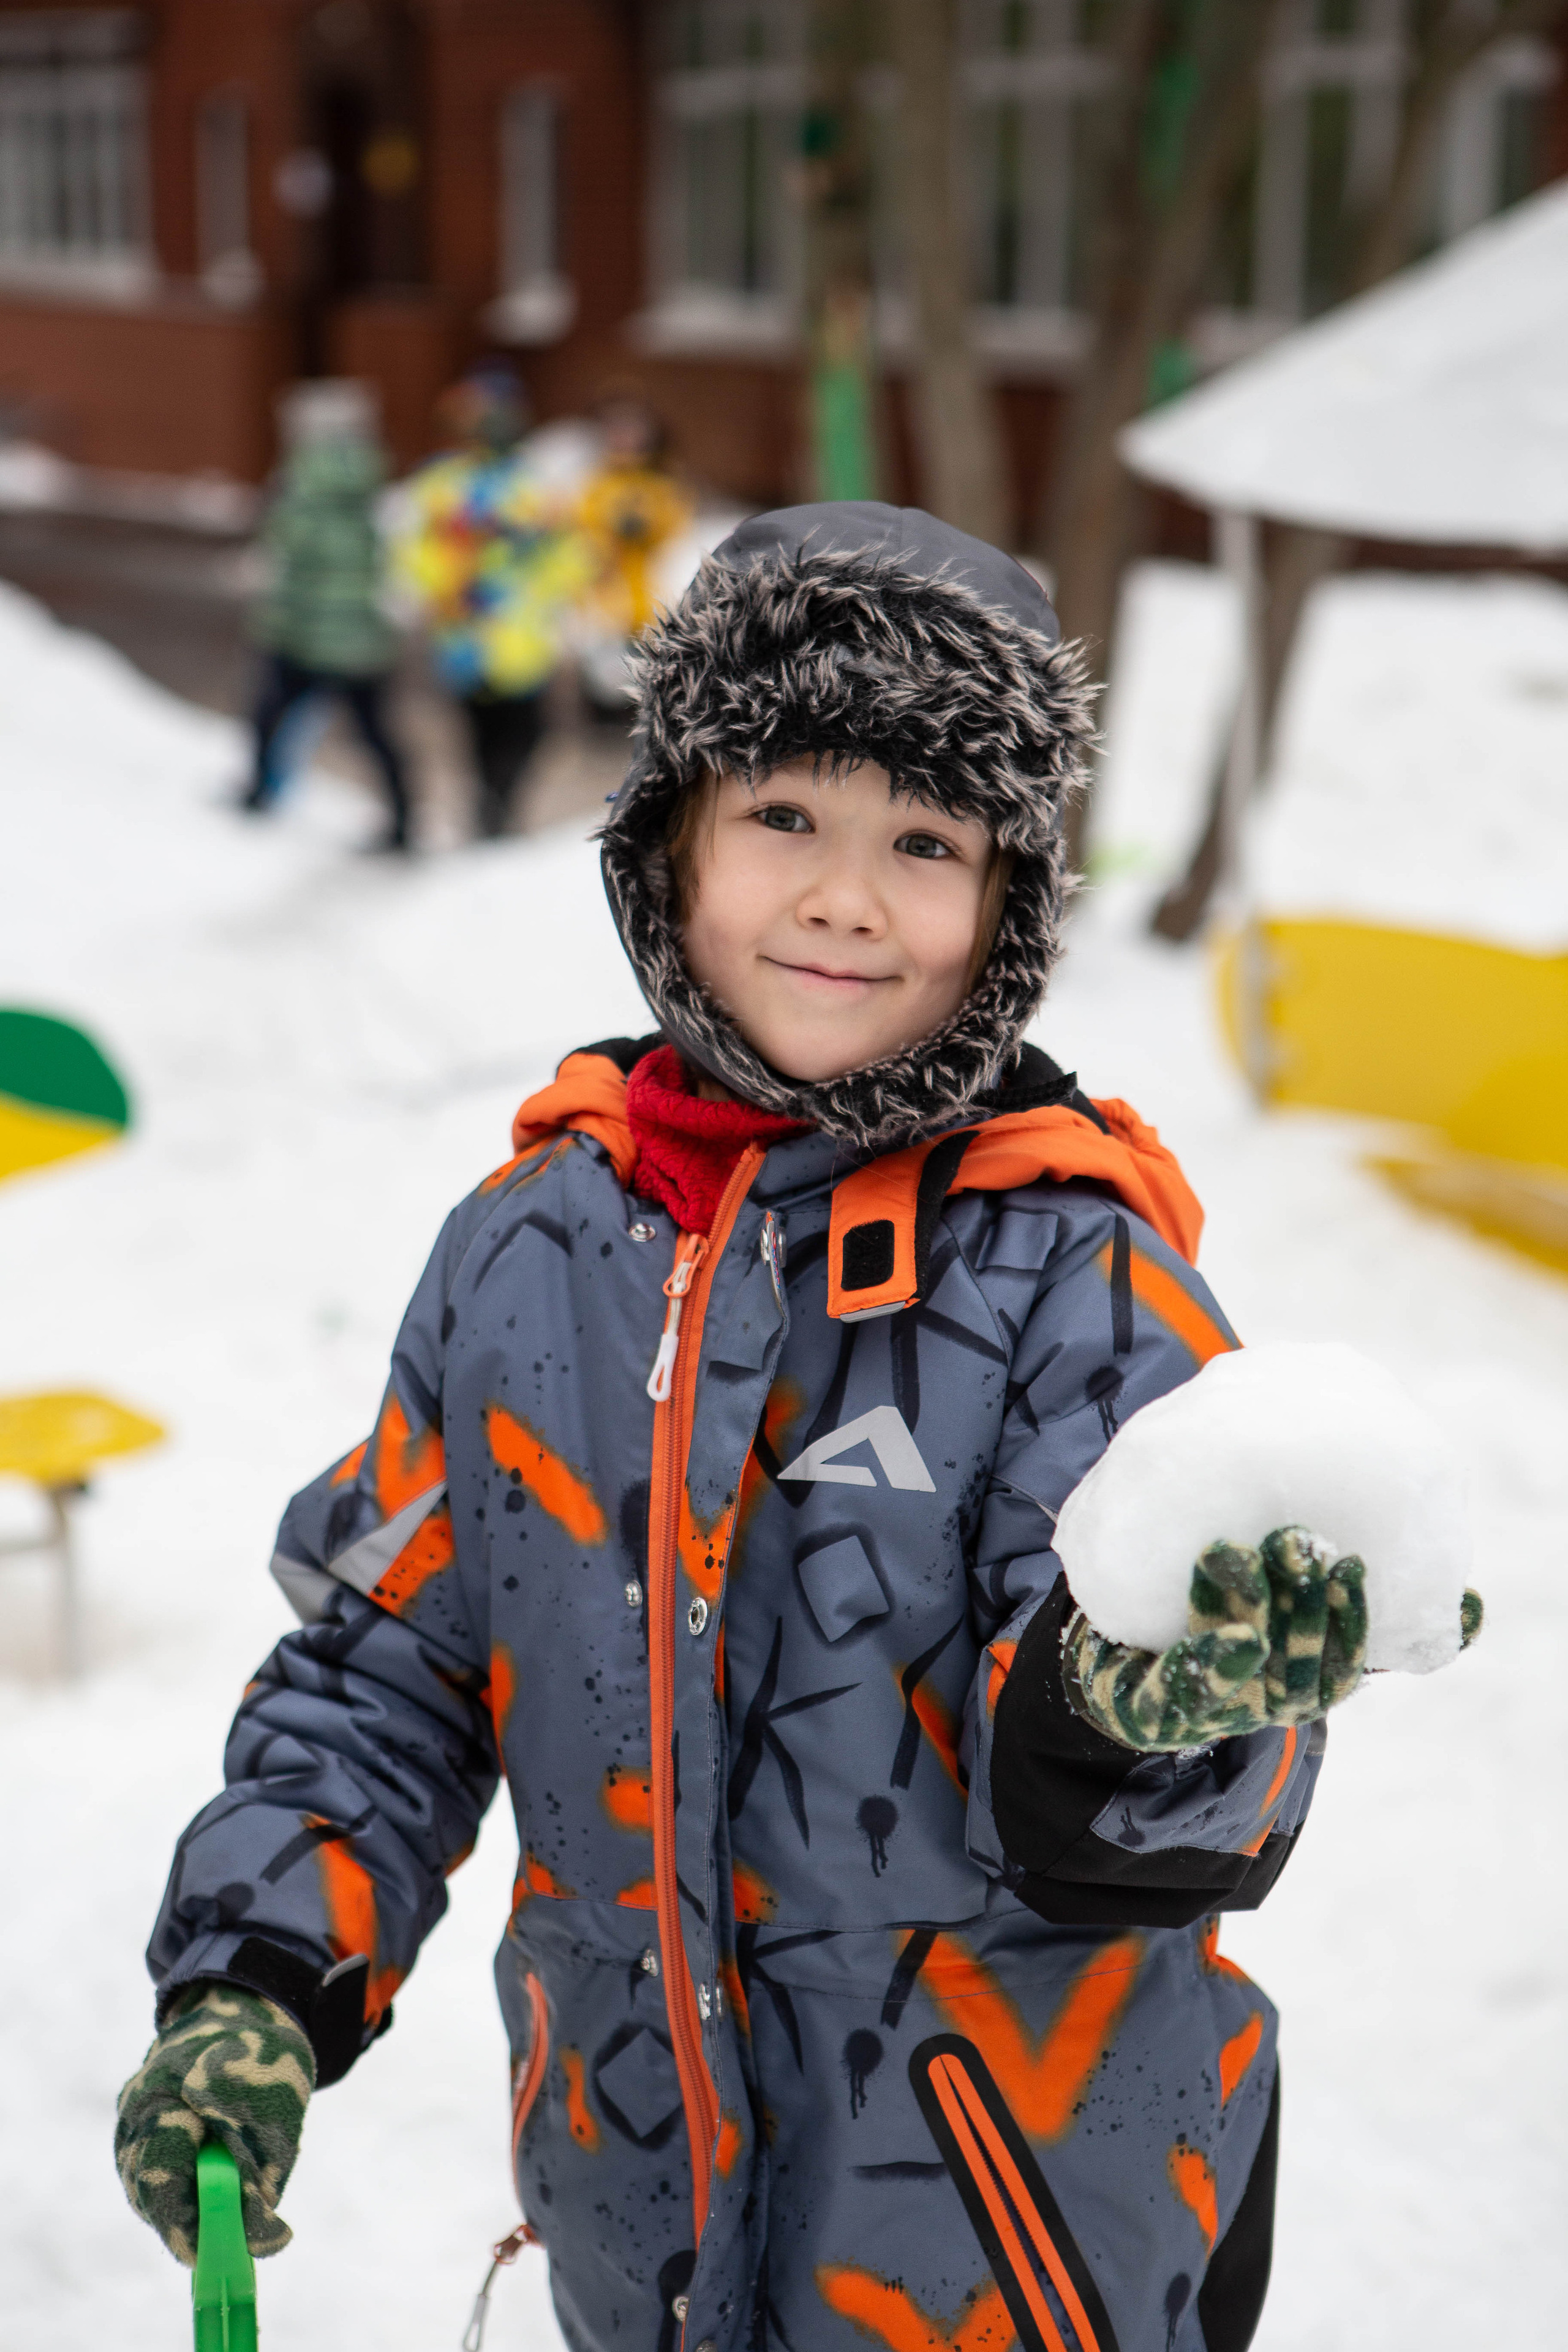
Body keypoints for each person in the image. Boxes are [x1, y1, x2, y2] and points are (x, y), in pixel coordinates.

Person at [117, 505, 1481, 2351]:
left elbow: (1164, 1784)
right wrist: (258, 1971)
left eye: (922, 840)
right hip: (646, 2233)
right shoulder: (527, 1254)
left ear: (1004, 904)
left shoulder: (1073, 1275)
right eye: (784, 816)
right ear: (664, 841)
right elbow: (389, 1670)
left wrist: (1137, 1699)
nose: (845, 894)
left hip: (1017, 2256)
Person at [393, 366, 592, 839]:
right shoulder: (443, 483)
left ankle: (500, 800)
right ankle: (490, 806)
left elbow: (571, 554)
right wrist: (447, 588)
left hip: (521, 637)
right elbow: (415, 549)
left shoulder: (537, 486)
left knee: (528, 731)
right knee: (477, 731)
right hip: (465, 636)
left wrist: (538, 580)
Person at [243, 380, 412, 853]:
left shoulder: (302, 491)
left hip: (305, 634)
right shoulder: (370, 485)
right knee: (376, 735)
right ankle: (403, 819)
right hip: (361, 639)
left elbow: (283, 555)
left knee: (269, 716)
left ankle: (259, 795)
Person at [574, 394, 693, 717]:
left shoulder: (663, 484)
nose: (624, 438)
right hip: (609, 603)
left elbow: (677, 531)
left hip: (654, 603)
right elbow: (583, 532)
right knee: (605, 693)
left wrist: (649, 525)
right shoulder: (596, 484)